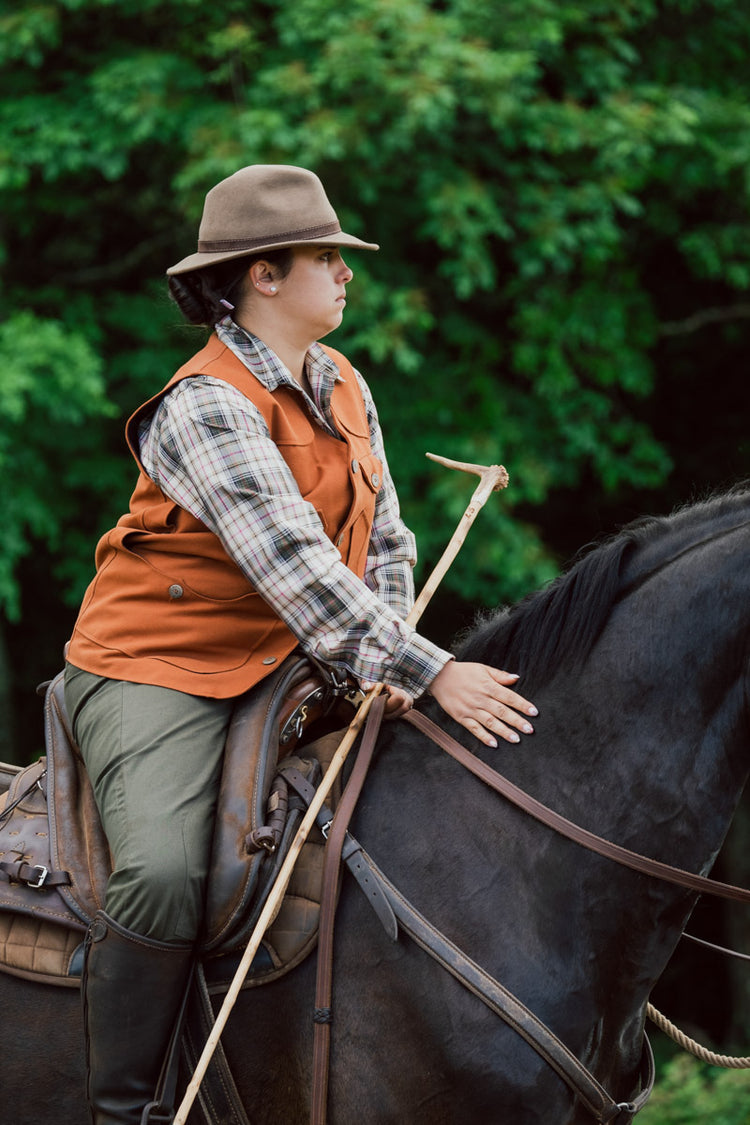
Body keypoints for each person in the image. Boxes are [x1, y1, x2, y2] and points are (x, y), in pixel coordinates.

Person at [63, 164, 538, 1124]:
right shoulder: (206, 406)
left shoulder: (342, 380)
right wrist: (430, 669)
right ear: (261, 276)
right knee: (160, 869)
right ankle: (123, 1107)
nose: (345, 272)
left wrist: (397, 653)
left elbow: (387, 542)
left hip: (301, 662)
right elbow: (304, 578)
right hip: (160, 668)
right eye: (326, 256)